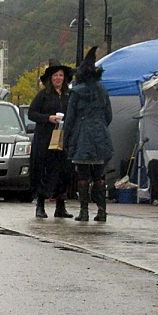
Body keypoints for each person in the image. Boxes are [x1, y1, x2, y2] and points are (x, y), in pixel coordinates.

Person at [63, 46, 114, 222]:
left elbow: (70, 119)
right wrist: (100, 125)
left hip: (82, 137)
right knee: (99, 175)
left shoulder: (76, 93)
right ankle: (101, 211)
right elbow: (109, 115)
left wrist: (66, 139)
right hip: (100, 136)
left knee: (83, 175)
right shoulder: (103, 91)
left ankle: (84, 211)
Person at [27, 62, 74, 219]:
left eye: (61, 75)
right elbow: (32, 113)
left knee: (64, 171)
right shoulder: (43, 95)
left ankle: (61, 206)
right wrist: (48, 118)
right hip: (45, 139)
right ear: (50, 78)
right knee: (45, 171)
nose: (58, 78)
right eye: (55, 75)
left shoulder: (69, 95)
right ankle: (40, 205)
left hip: (64, 138)